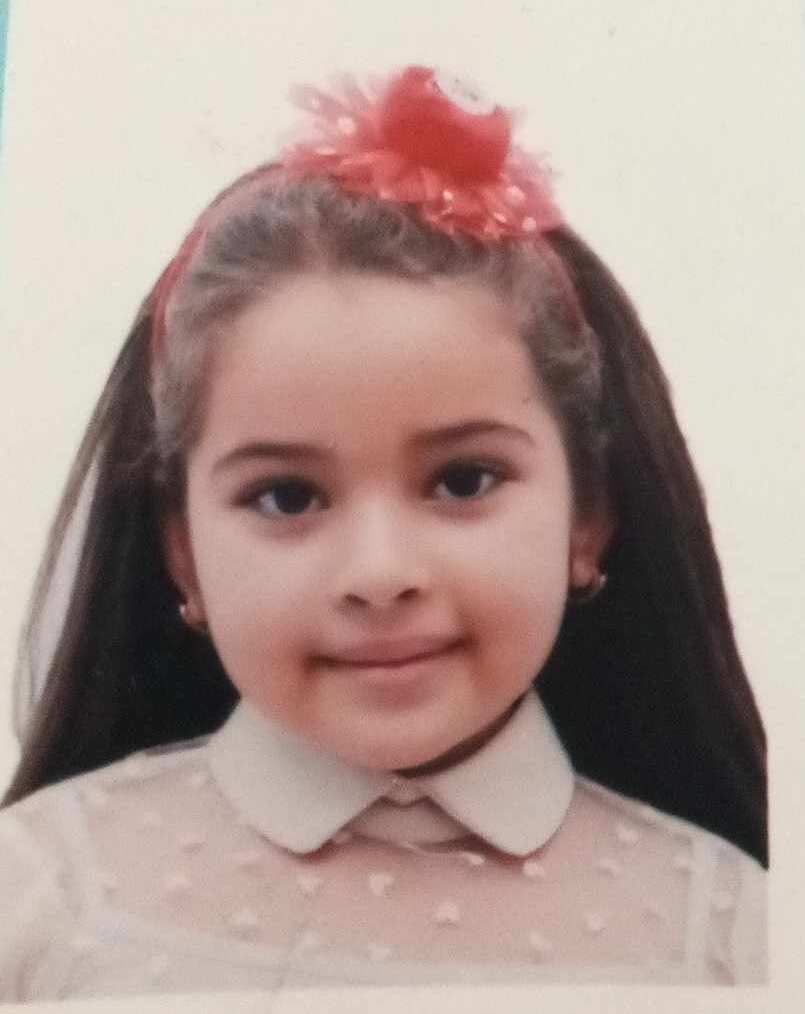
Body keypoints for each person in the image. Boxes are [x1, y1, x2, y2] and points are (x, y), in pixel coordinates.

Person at [0, 66, 766, 1000]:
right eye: (287, 496)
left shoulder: (731, 930)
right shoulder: (39, 897)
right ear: (183, 553)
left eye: (462, 481)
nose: (379, 572)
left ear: (587, 519)